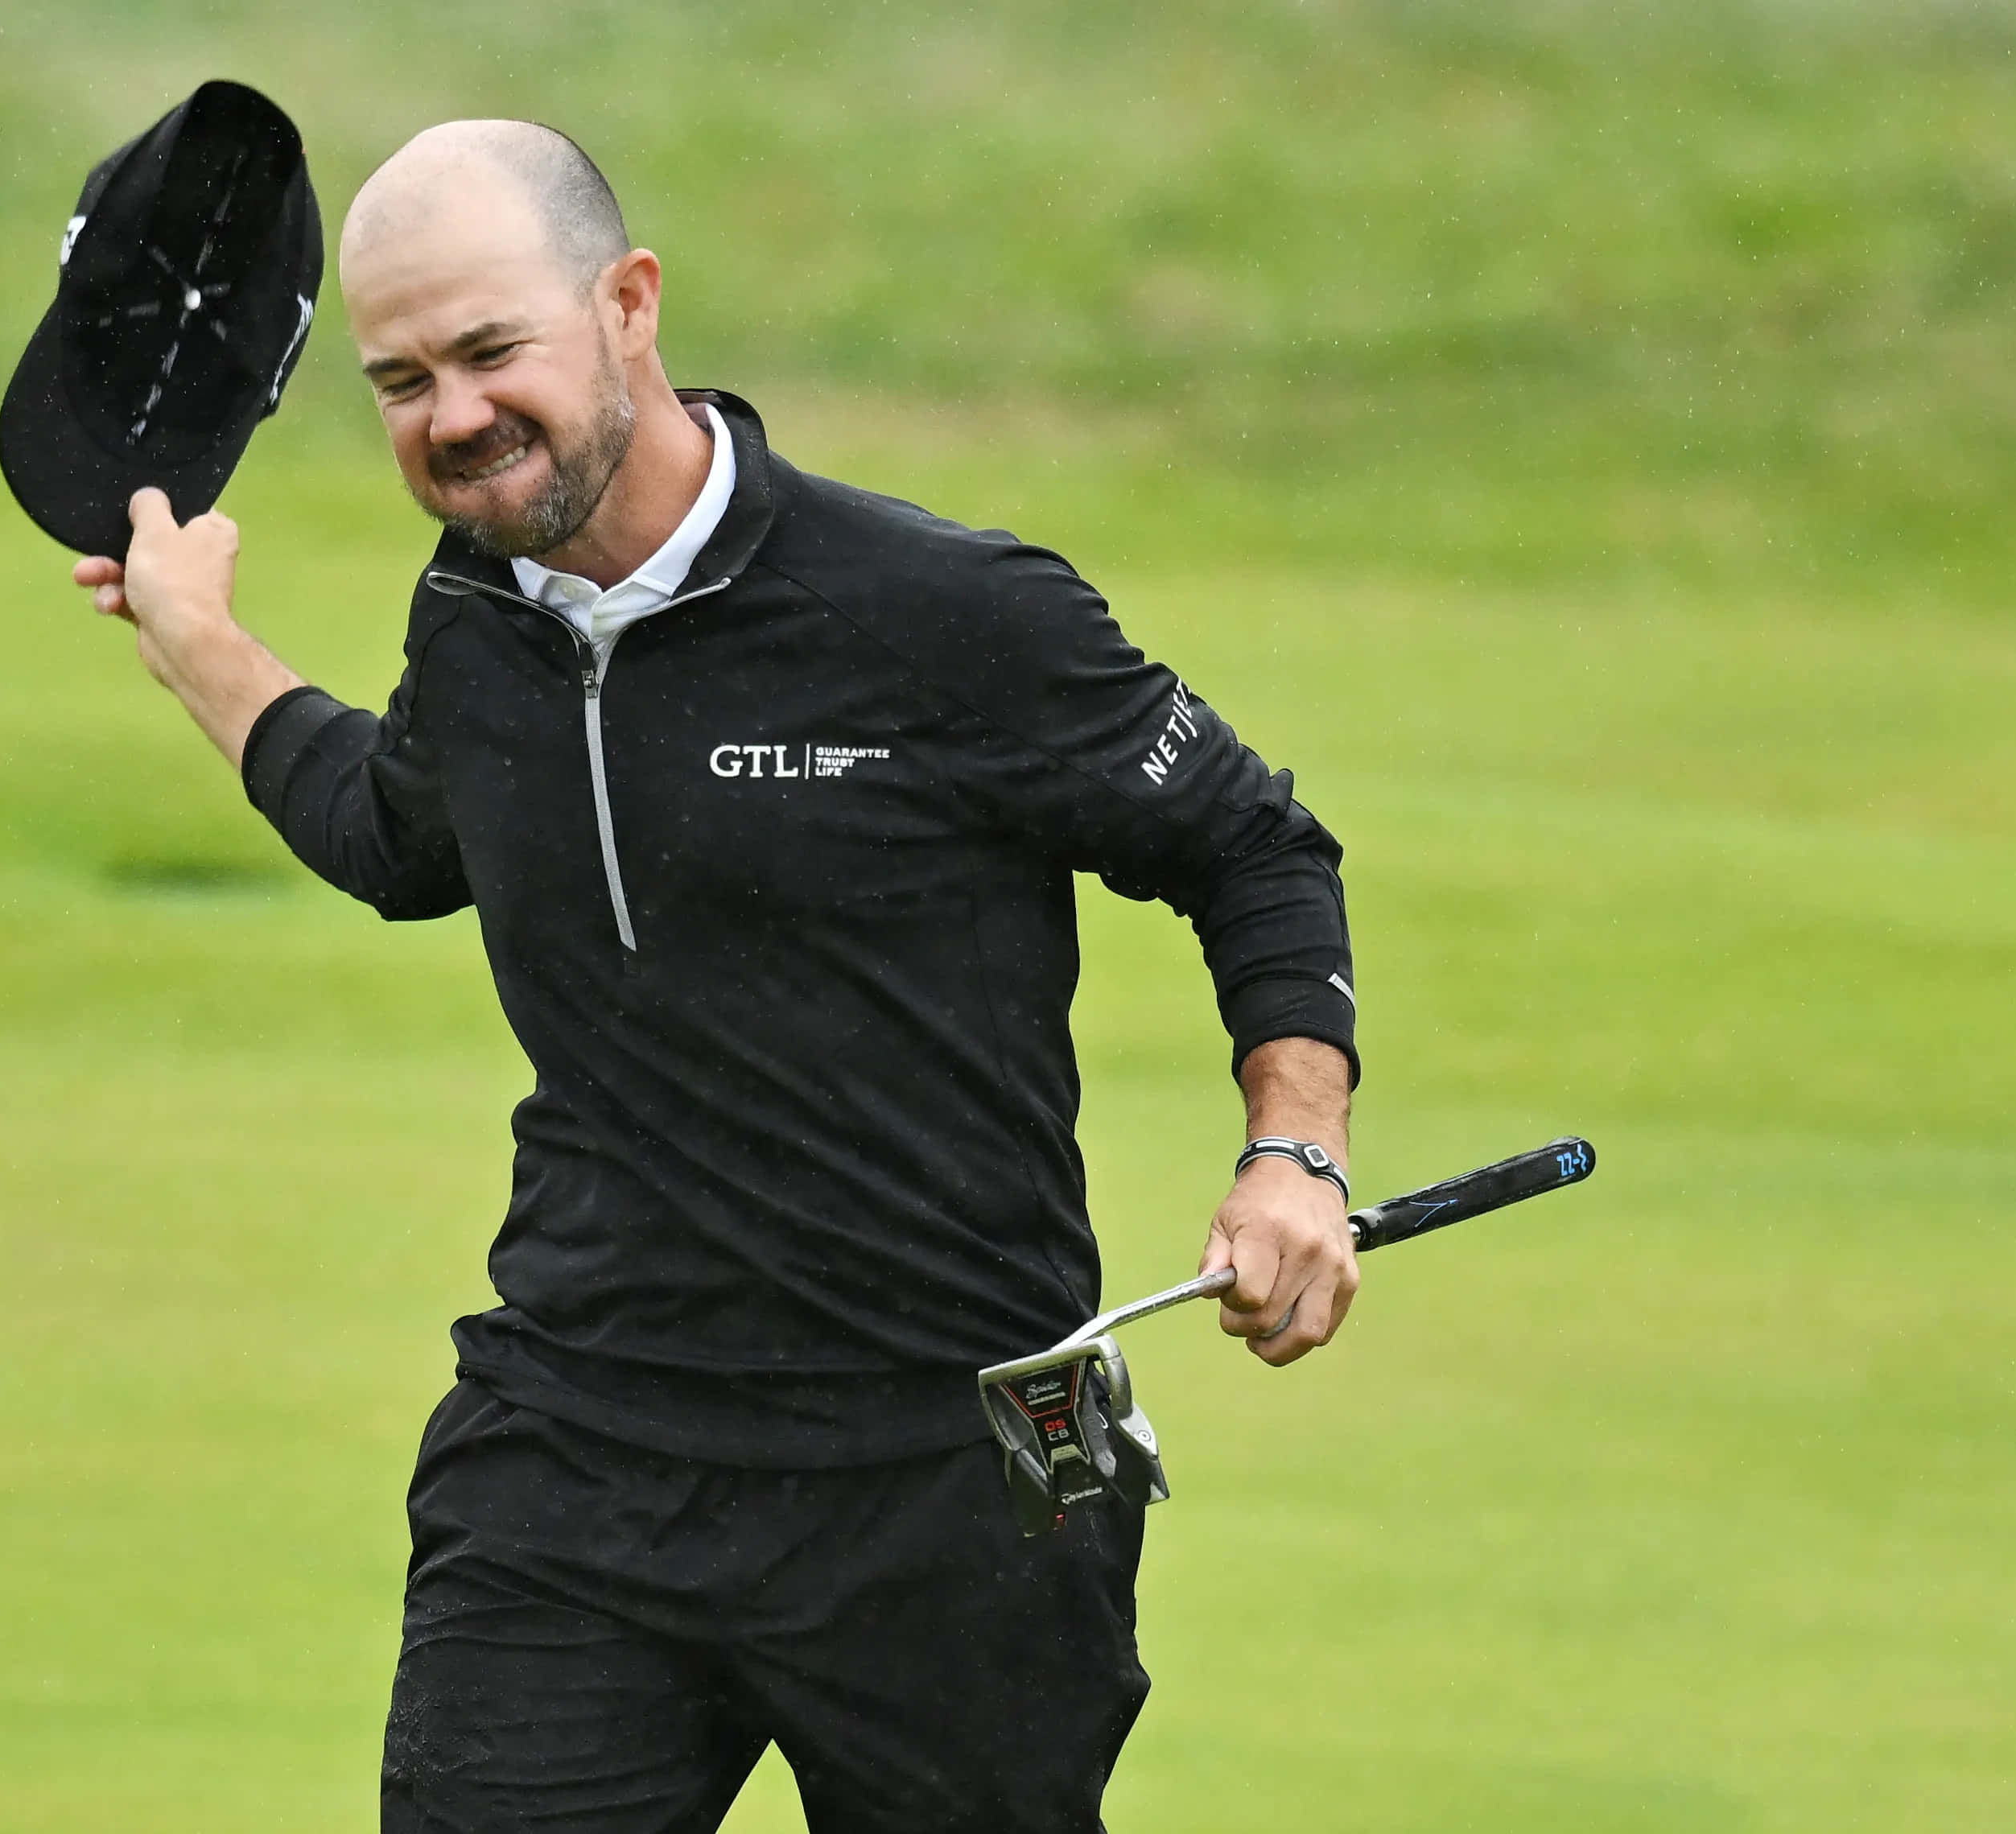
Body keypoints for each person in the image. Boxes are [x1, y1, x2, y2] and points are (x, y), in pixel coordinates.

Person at [70, 120, 1361, 1833]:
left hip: (945, 1483)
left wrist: (1293, 1151)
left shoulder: (939, 611)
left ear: (627, 304)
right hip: (574, 1461)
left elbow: (1250, 844)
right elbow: (400, 833)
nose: (451, 416)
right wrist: (198, 647)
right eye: (399, 381)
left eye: (489, 351)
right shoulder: (478, 620)